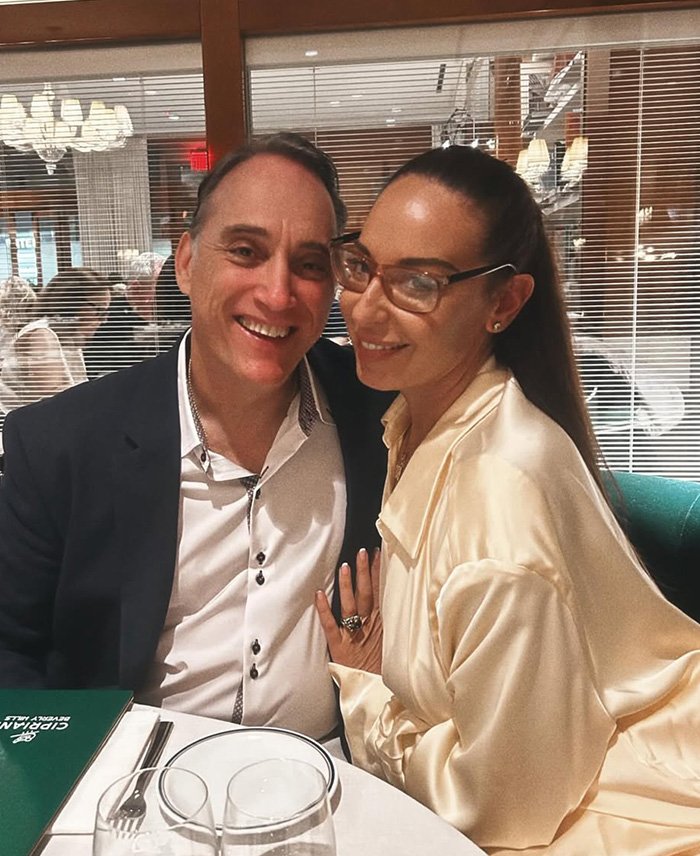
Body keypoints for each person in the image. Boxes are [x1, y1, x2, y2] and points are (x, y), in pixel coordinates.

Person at [315, 144, 700, 854]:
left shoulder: (498, 501)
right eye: (362, 265)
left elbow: (500, 808)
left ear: (504, 303)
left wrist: (368, 695)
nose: (364, 308)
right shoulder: (421, 418)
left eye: (419, 282)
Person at [0, 132, 390, 743]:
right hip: (129, 776)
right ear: (185, 262)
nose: (278, 293)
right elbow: (11, 654)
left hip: (330, 769)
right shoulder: (60, 445)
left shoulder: (380, 411)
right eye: (246, 251)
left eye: (311, 265)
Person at [0, 267, 110, 409]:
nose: (104, 320)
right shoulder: (41, 336)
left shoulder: (67, 339)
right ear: (71, 303)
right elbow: (57, 406)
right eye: (99, 311)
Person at [84, 252, 165, 377]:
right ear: (136, 288)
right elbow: (98, 368)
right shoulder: (109, 319)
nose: (166, 295)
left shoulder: (162, 317)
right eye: (160, 288)